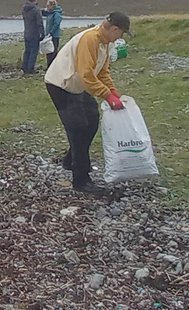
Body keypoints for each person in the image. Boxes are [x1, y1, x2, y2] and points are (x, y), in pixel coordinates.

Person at [45, 12, 133, 194]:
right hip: (61, 84)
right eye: (122, 33)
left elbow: (102, 72)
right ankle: (81, 180)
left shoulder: (105, 43)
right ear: (115, 29)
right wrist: (107, 96)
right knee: (77, 129)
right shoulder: (90, 39)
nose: (120, 37)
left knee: (92, 120)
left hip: (77, 84)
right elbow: (86, 75)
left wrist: (113, 92)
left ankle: (70, 160)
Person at [21, 0, 45, 74]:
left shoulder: (24, 9)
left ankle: (24, 67)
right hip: (34, 33)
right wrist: (42, 33)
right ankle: (30, 69)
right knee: (33, 52)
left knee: (27, 51)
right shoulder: (36, 9)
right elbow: (39, 22)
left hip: (27, 32)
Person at [42, 0, 63, 67]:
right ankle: (49, 65)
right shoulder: (50, 13)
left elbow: (56, 24)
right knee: (48, 51)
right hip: (49, 35)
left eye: (48, 5)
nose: (47, 6)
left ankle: (53, 66)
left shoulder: (56, 14)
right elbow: (42, 13)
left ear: (52, 5)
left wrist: (51, 32)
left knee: (53, 52)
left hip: (54, 35)